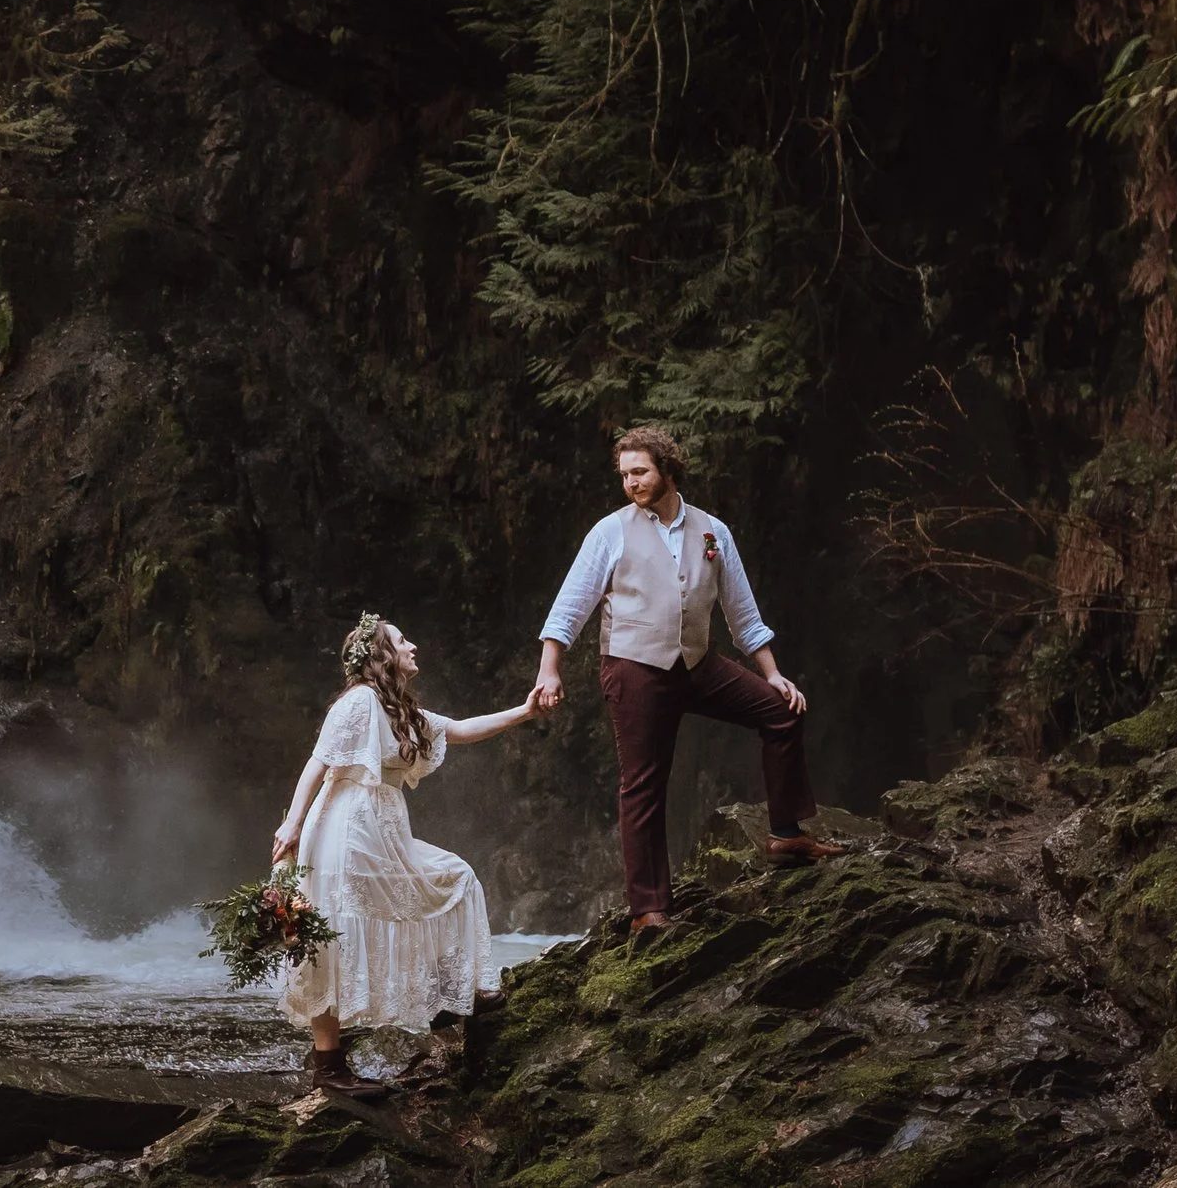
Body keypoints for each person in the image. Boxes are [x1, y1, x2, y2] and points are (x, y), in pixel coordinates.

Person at [528, 425, 846, 933]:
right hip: (634, 668)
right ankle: (649, 910)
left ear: (667, 468)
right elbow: (571, 605)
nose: (631, 482)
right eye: (624, 474)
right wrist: (550, 668)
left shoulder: (712, 531)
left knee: (781, 711)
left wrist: (774, 674)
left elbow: (742, 612)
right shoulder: (609, 531)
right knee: (642, 783)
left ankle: (786, 834)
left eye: (640, 471)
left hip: (698, 664)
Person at [271, 614, 537, 1093]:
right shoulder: (358, 702)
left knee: (451, 879)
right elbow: (319, 761)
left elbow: (458, 729)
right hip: (345, 827)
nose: (412, 645)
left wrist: (524, 712)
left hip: (381, 828)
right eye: (401, 640)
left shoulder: (399, 709)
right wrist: (291, 823)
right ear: (381, 656)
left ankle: (451, 997)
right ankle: (329, 1069)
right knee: (333, 929)